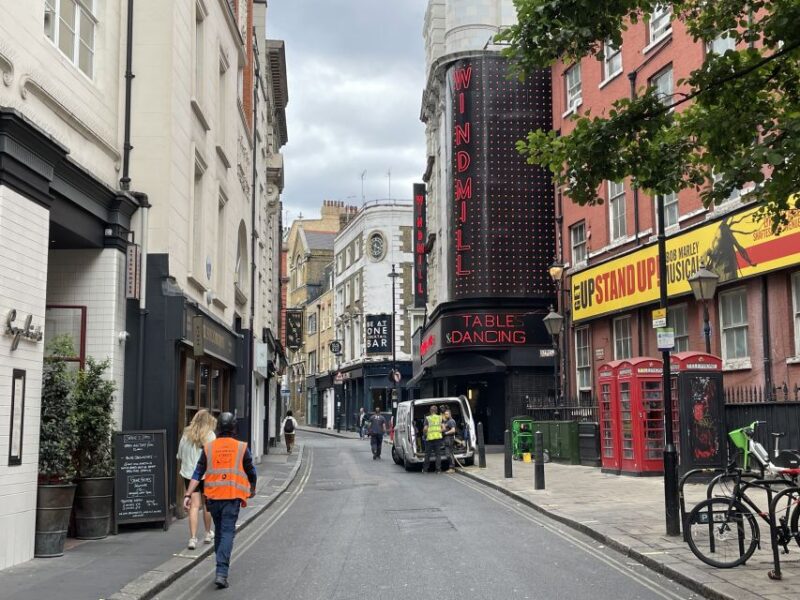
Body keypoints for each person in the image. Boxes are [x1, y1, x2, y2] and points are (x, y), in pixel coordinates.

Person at [183, 412, 256, 589]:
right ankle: (221, 572)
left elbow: (197, 473)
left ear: (219, 428)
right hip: (231, 497)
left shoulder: (209, 448)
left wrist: (188, 494)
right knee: (227, 533)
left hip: (213, 498)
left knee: (220, 531)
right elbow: (251, 471)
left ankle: (220, 567)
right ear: (233, 428)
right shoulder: (241, 447)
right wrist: (252, 488)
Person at [176, 409, 216, 550]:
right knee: (207, 504)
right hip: (206, 475)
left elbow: (179, 455)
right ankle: (207, 533)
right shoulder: (210, 435)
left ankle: (192, 539)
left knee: (194, 505)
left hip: (189, 475)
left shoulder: (186, 435)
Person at [422, 404, 444, 473]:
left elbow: (425, 429)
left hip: (430, 439)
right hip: (438, 438)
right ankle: (438, 470)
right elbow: (443, 428)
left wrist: (424, 435)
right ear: (436, 411)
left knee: (427, 454)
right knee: (438, 454)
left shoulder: (428, 418)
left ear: (430, 411)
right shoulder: (440, 418)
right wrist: (439, 431)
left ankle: (425, 470)